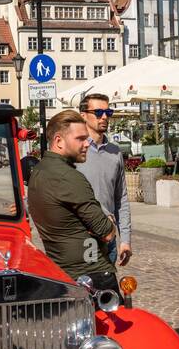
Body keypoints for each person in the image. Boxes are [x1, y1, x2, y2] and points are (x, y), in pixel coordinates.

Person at [26, 110, 119, 291]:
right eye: (80, 139)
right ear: (59, 141)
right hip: (93, 274)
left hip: (62, 271)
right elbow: (106, 232)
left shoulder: (39, 171)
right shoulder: (69, 177)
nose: (87, 144)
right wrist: (110, 223)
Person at [75, 94, 132, 268]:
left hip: (110, 237)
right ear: (83, 115)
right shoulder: (75, 150)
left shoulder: (115, 152)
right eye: (99, 112)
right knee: (89, 288)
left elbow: (121, 198)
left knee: (108, 290)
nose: (105, 117)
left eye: (108, 112)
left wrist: (126, 240)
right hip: (85, 236)